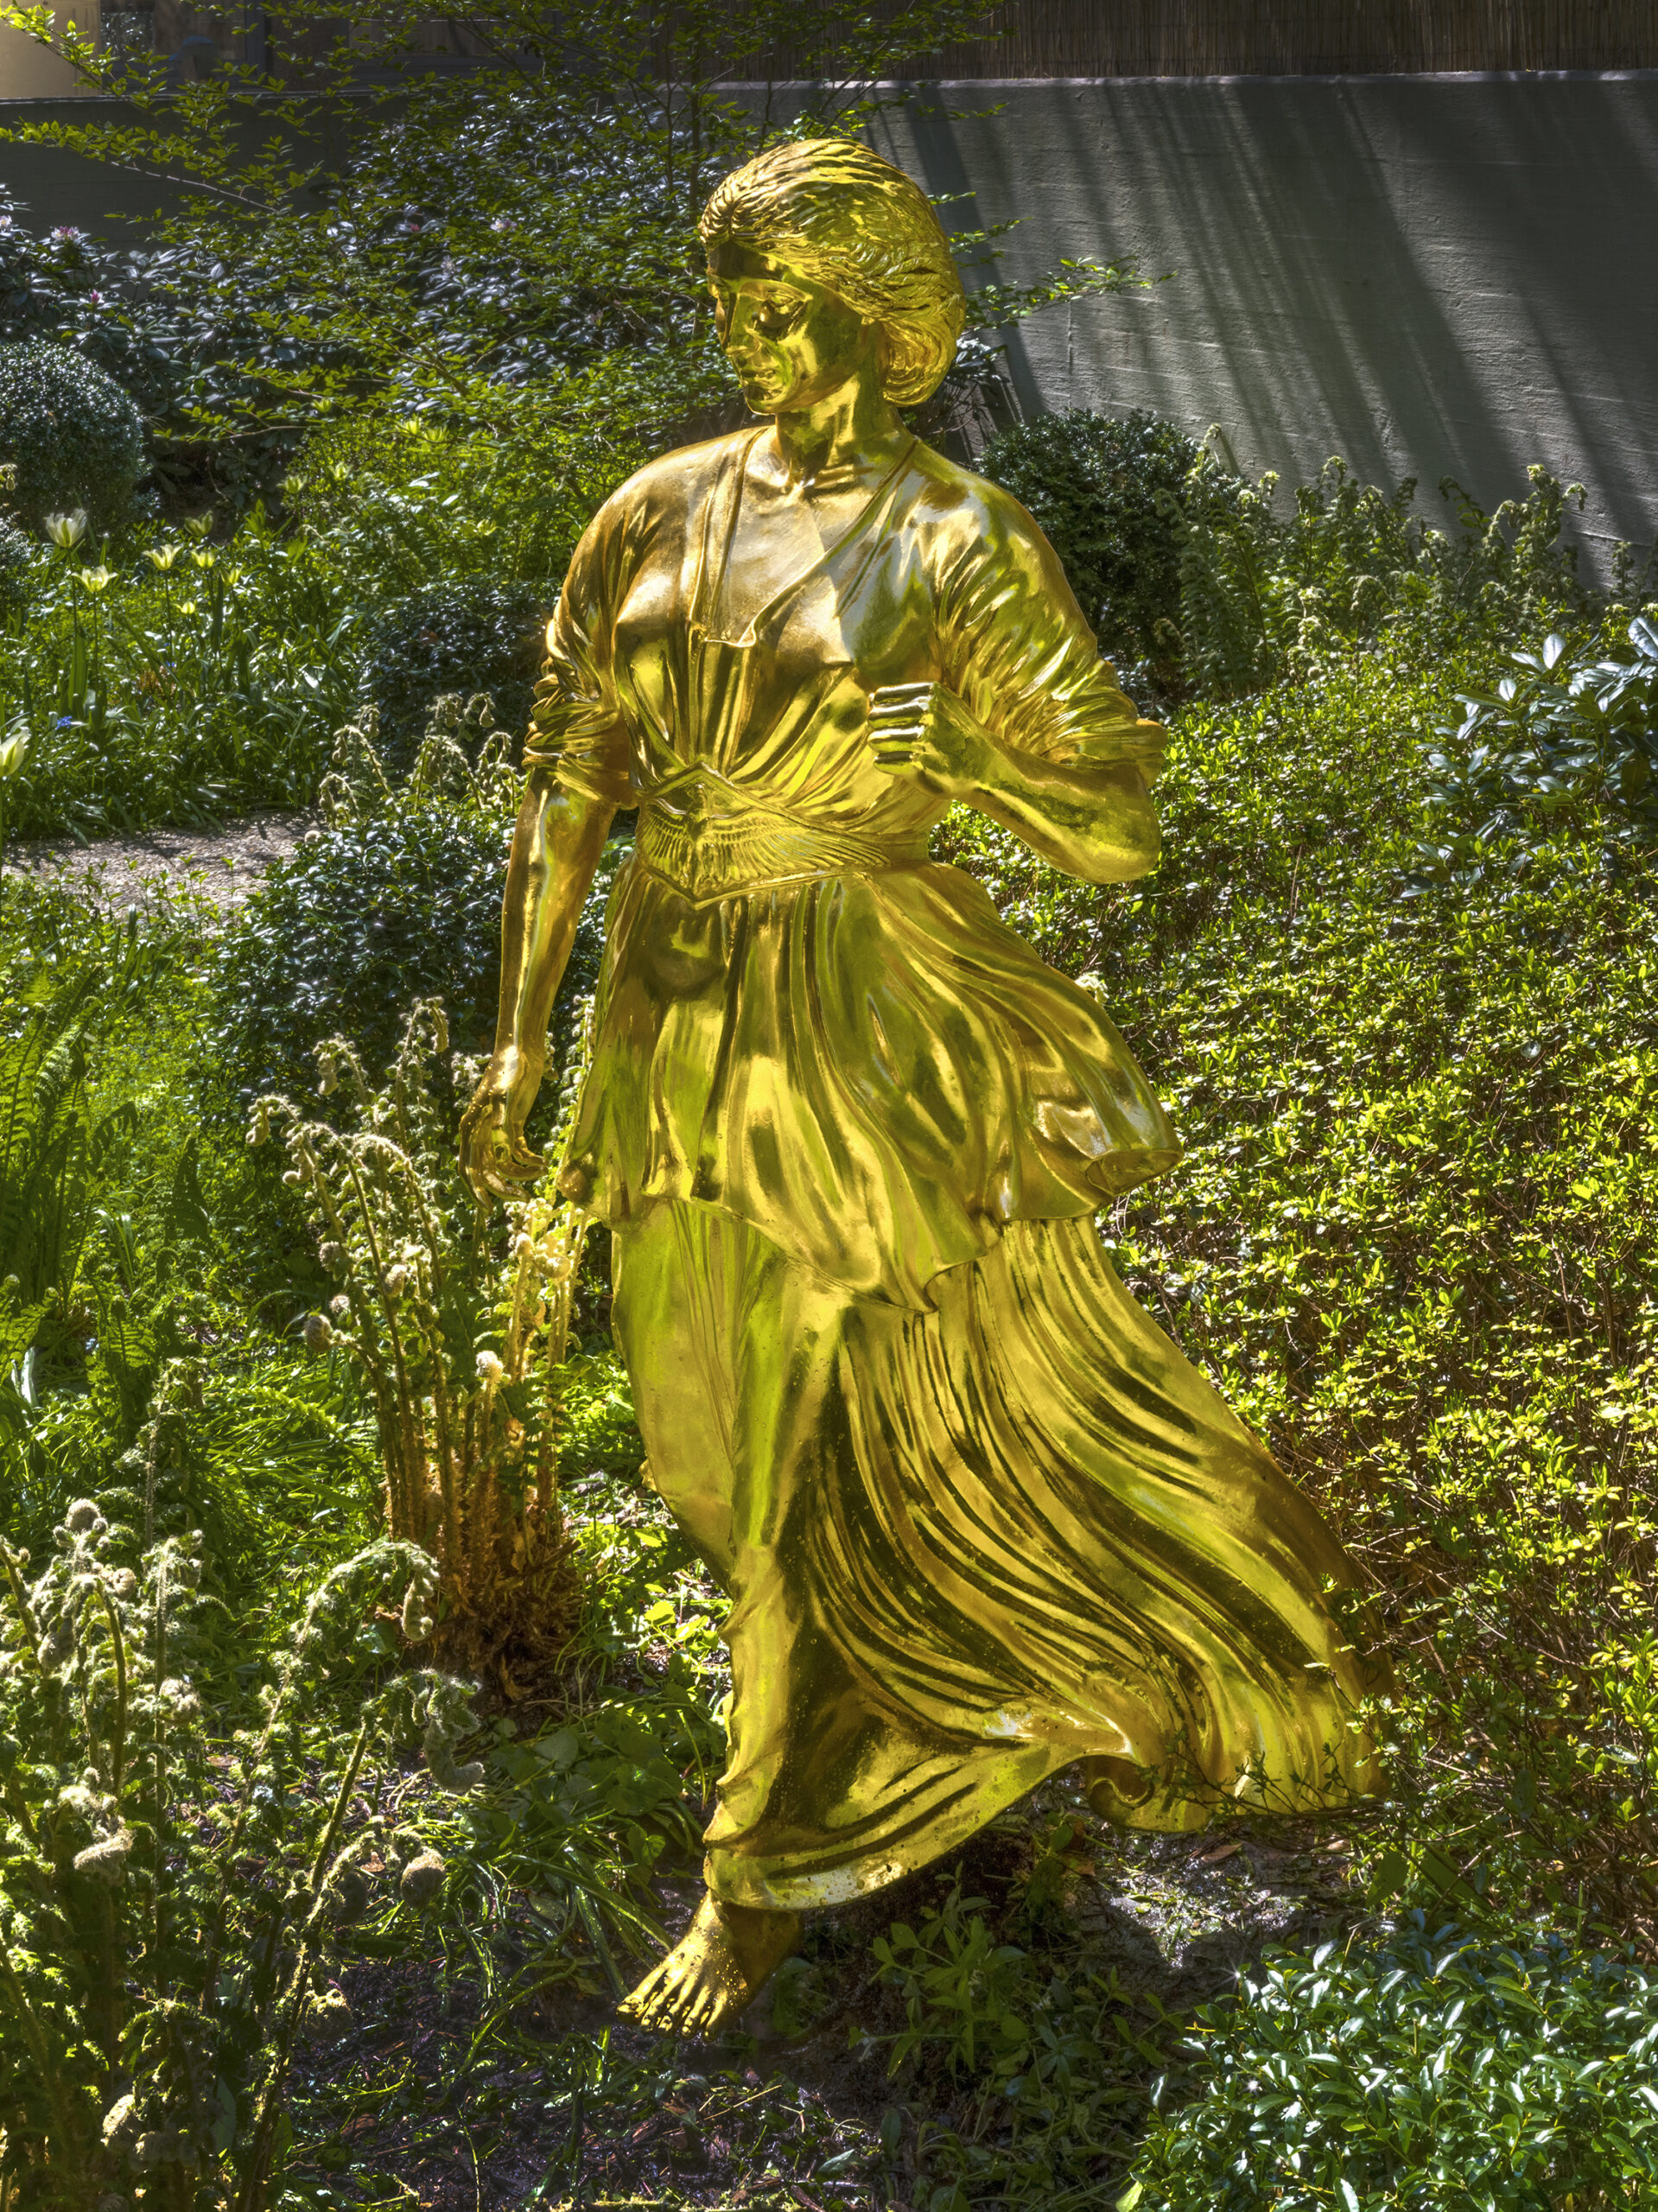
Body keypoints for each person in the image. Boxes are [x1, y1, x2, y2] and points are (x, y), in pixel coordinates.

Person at [460, 137, 1387, 2037]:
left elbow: (1119, 822)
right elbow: (565, 783)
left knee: (806, 1447)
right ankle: (949, 1701)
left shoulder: (960, 541)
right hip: (674, 1010)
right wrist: (523, 1029)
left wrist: (965, 751)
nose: (747, 334)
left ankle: (755, 1879)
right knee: (705, 1450)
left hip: (865, 1026)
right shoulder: (647, 510)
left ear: (881, 326)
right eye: (728, 299)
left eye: (782, 303)